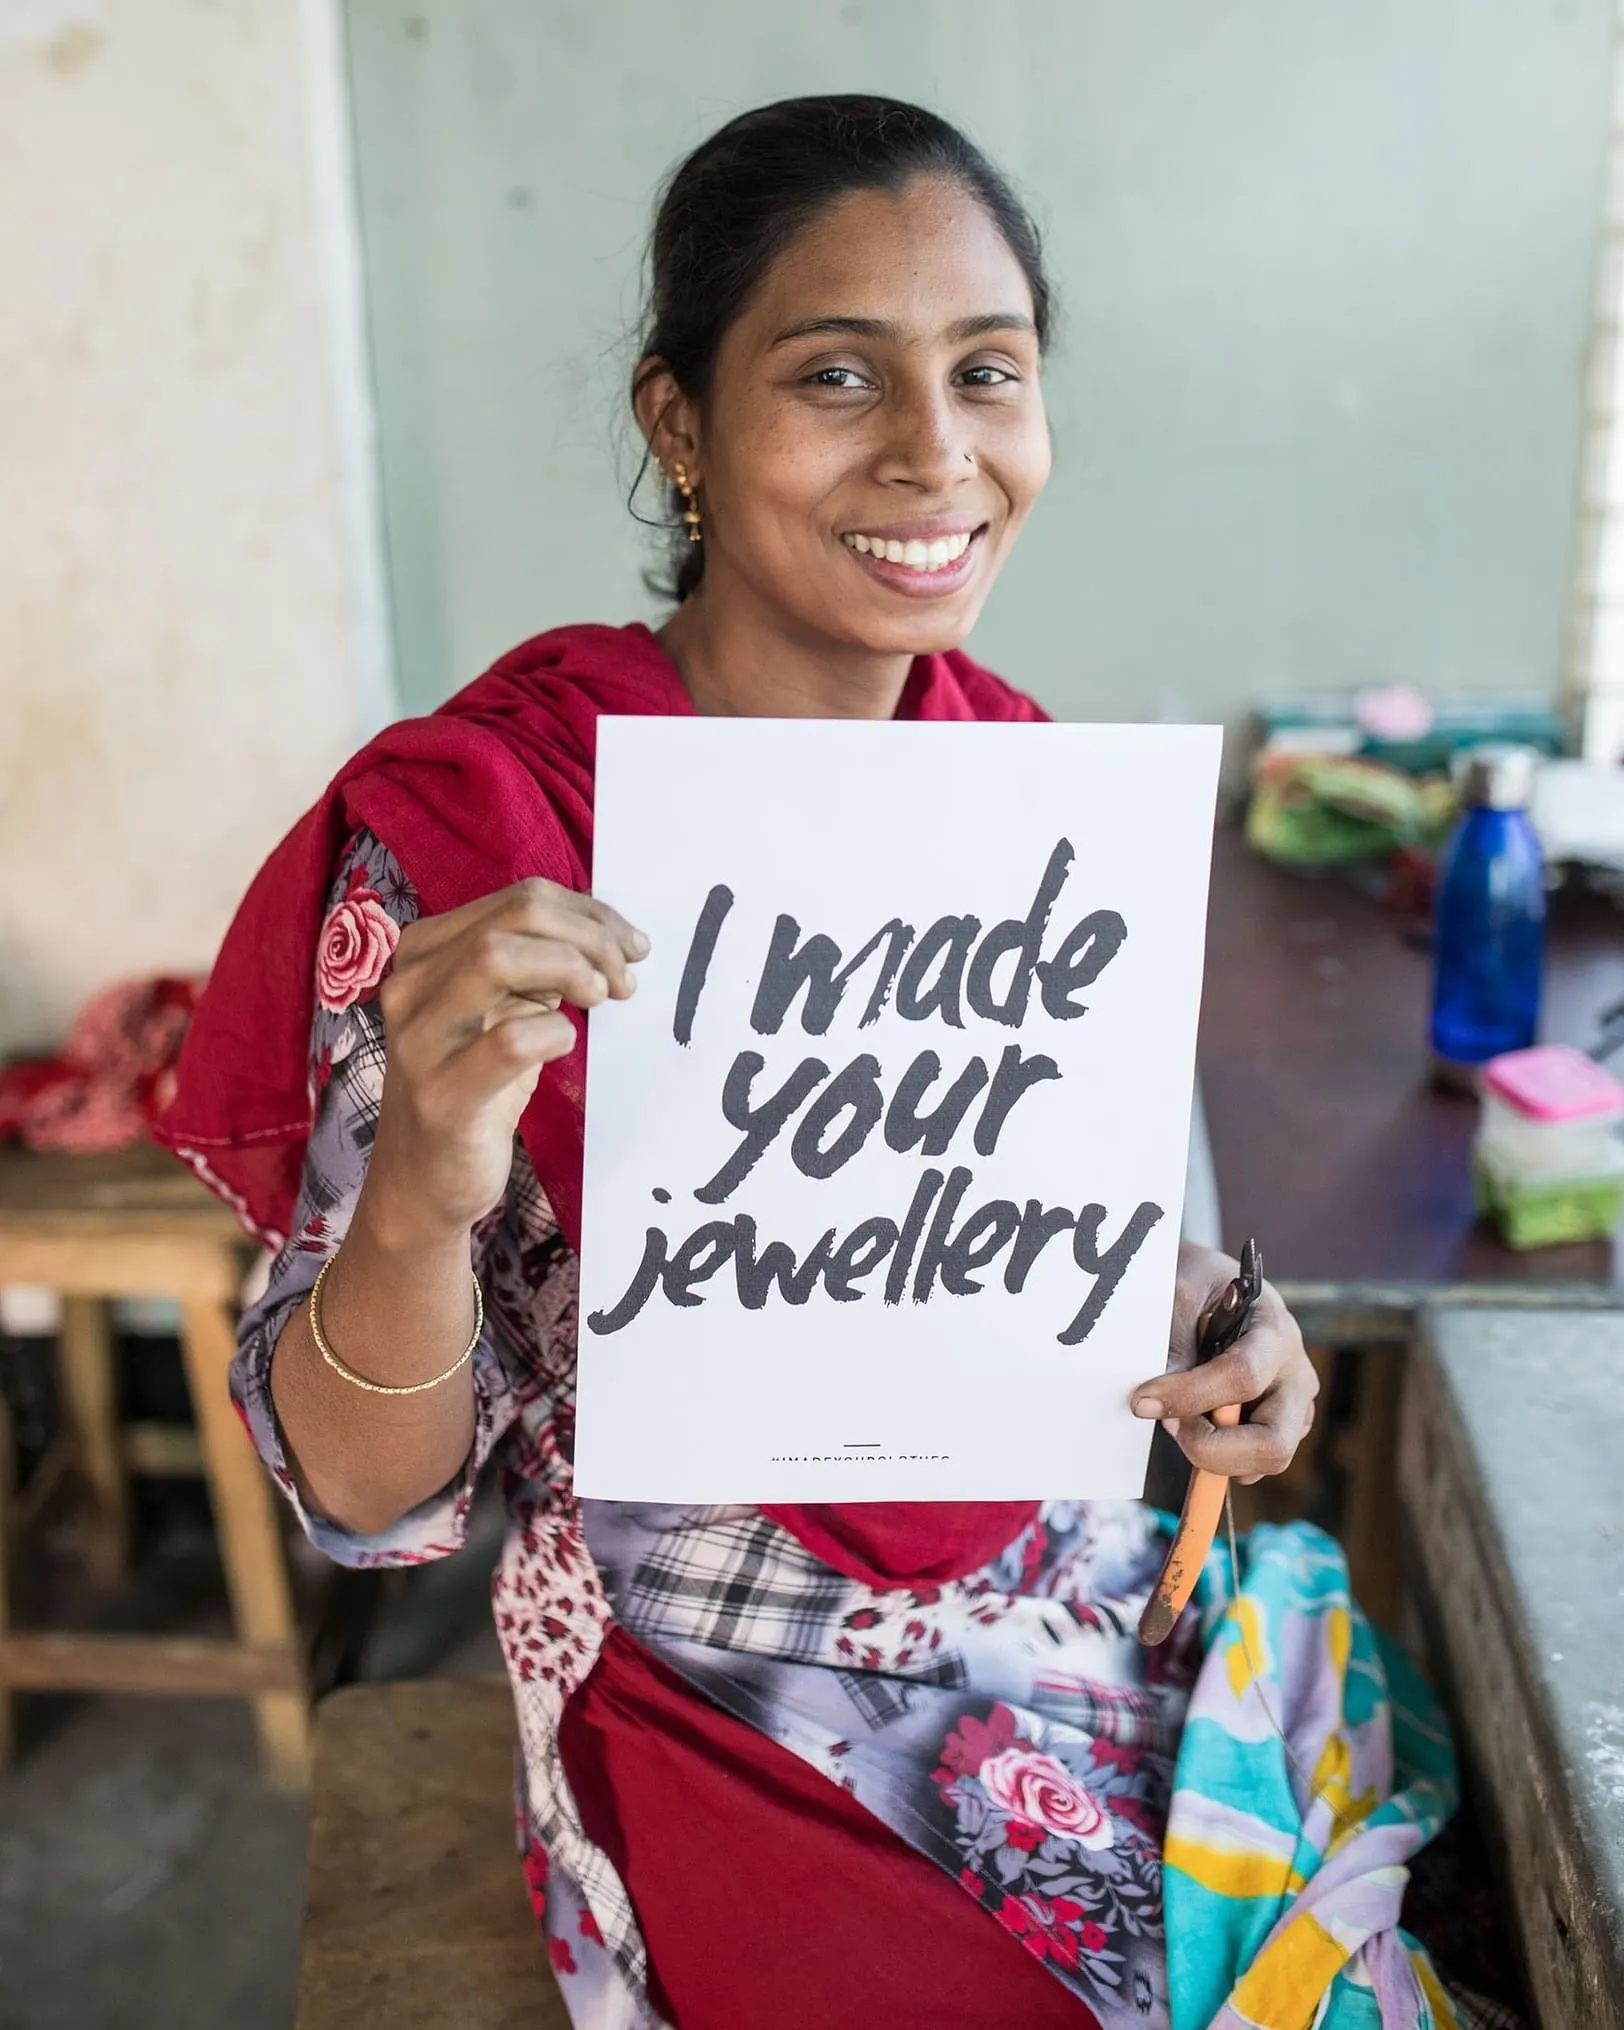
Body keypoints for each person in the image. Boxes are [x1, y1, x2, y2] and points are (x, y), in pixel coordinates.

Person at [163, 96, 1467, 2030]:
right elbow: (365, 1504)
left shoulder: (1022, 783)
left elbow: (1044, 1250)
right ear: (677, 421)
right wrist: (429, 1185)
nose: (938, 453)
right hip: (714, 1706)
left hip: (1077, 1621)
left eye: (990, 373)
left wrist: (1204, 1318)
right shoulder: (487, 835)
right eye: (838, 373)